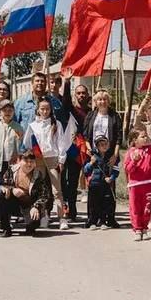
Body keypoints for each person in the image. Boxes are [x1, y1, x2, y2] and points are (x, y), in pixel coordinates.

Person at [21, 100, 74, 229]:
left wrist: (61, 160)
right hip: (38, 160)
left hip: (52, 159)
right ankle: (43, 216)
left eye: (47, 109)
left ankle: (62, 218)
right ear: (38, 110)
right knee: (40, 190)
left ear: (51, 110)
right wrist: (29, 158)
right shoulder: (33, 125)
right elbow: (27, 143)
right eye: (42, 109)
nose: (45, 112)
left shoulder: (56, 124)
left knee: (57, 190)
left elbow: (61, 142)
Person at [0, 150, 52, 237]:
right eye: (26, 161)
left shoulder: (38, 175)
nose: (29, 164)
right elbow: (3, 184)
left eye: (31, 162)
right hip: (13, 203)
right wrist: (12, 190)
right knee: (0, 195)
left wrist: (36, 206)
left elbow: (45, 195)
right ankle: (6, 229)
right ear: (19, 161)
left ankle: (30, 227)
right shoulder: (12, 170)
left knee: (34, 223)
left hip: (29, 205)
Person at [58, 72, 92, 228]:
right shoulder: (71, 110)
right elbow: (65, 102)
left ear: (88, 95)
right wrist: (67, 82)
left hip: (88, 151)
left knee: (90, 182)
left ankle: (95, 213)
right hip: (72, 149)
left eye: (83, 93)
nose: (81, 95)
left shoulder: (92, 112)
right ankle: (70, 210)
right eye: (78, 93)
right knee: (68, 183)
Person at [123, 128, 151, 241]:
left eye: (146, 136)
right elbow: (128, 169)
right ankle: (137, 229)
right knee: (135, 208)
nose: (146, 138)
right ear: (135, 140)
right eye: (142, 136)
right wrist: (135, 161)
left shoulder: (149, 150)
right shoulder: (130, 152)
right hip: (135, 185)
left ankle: (144, 228)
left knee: (146, 208)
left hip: (147, 183)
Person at [83, 135, 118, 229]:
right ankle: (92, 222)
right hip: (94, 185)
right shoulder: (92, 156)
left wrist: (111, 178)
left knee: (105, 204)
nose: (104, 146)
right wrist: (91, 163)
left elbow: (116, 170)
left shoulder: (111, 157)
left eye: (106, 144)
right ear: (97, 146)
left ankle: (103, 222)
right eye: (101, 144)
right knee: (93, 205)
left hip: (105, 185)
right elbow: (85, 171)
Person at [0, 100, 23, 177]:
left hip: (13, 163)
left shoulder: (18, 127)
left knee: (12, 186)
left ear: (14, 112)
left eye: (10, 110)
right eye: (4, 110)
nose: (7, 113)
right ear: (0, 112)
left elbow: (21, 145)